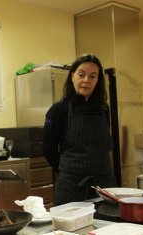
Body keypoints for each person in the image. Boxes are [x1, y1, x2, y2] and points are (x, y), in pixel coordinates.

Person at [43, 54, 117, 206]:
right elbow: (48, 149)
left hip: (104, 185)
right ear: (72, 76)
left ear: (98, 80)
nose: (86, 81)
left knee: (108, 227)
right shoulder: (58, 110)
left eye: (92, 76)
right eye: (81, 74)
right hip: (71, 187)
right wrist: (70, 171)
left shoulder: (103, 109)